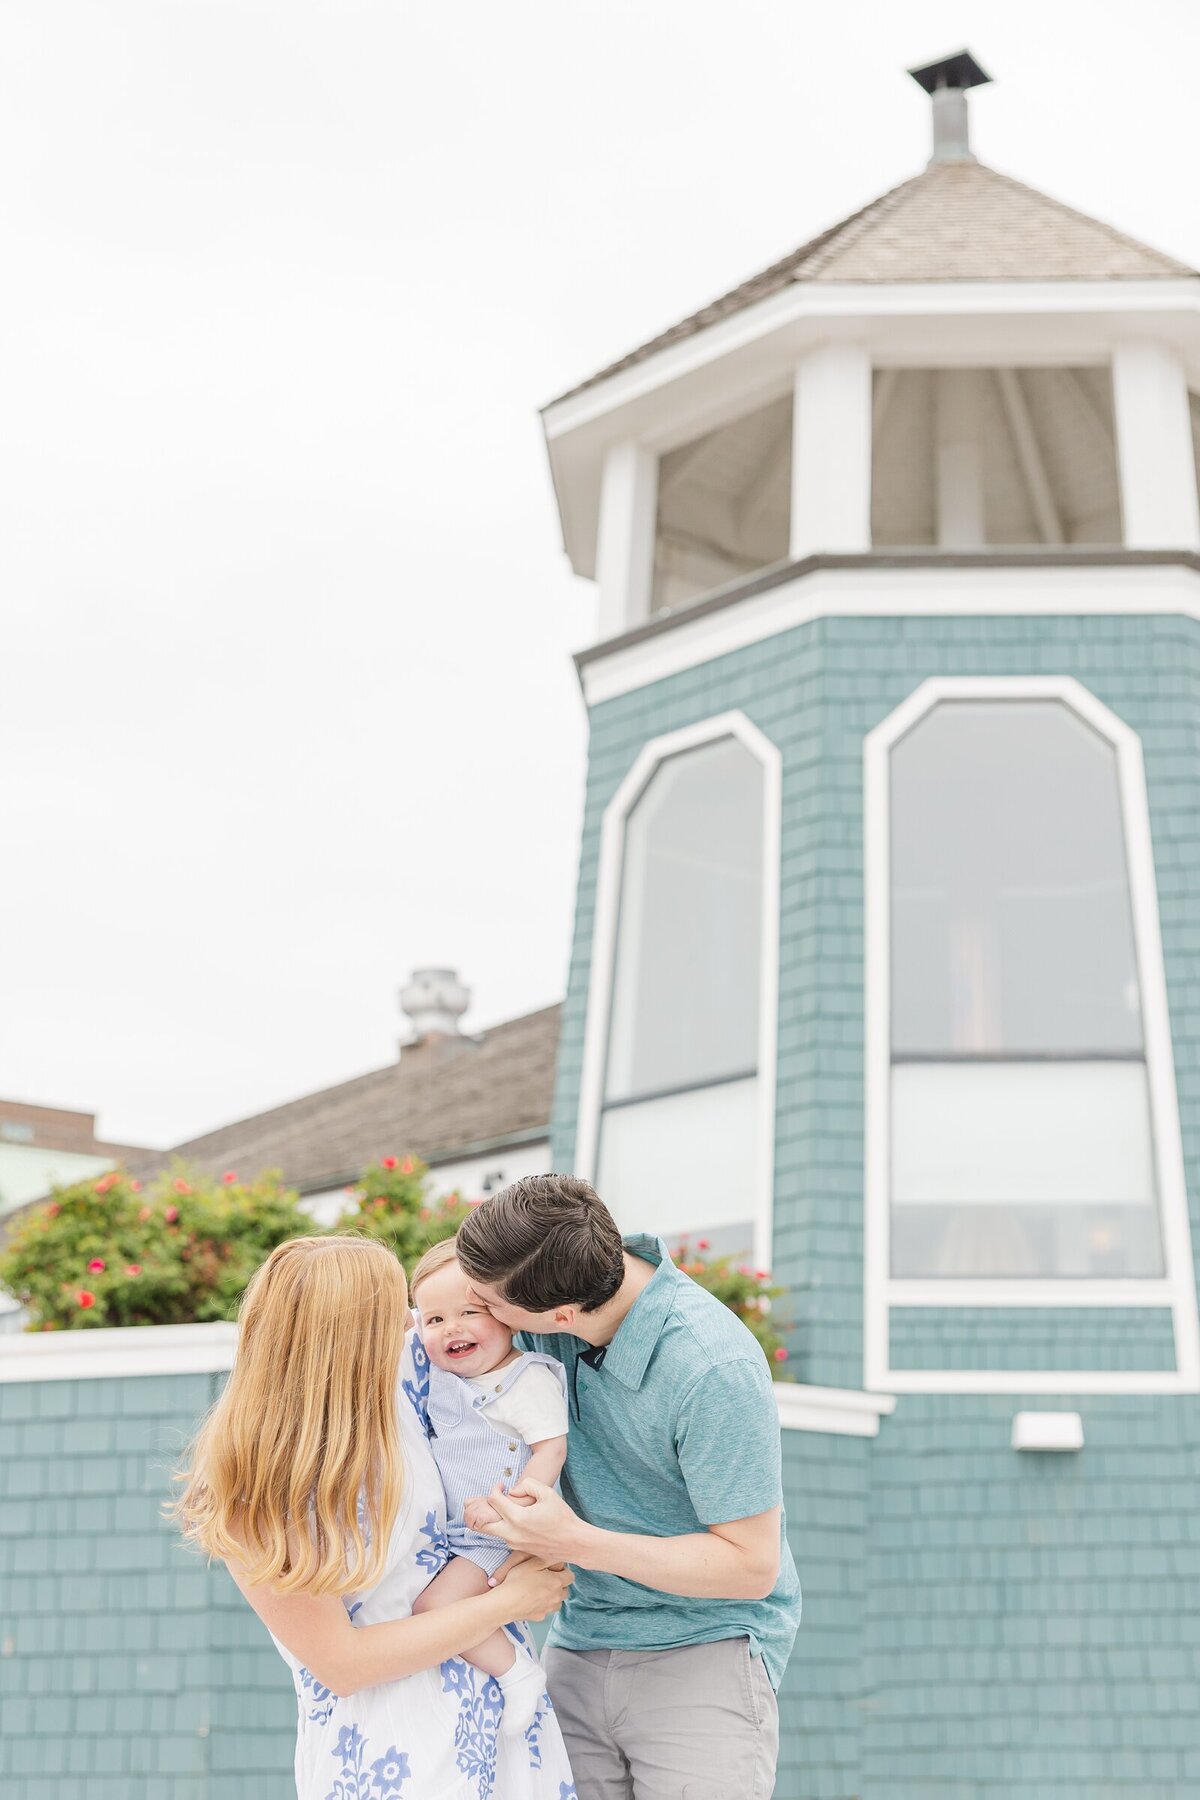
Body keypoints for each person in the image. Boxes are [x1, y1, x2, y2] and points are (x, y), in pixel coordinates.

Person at [172, 1234, 578, 1800]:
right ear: (349, 1338)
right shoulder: (255, 1488)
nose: (414, 1326)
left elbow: (503, 1316)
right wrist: (510, 1601)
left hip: (502, 1723)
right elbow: (343, 1664)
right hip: (390, 1758)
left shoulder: (412, 1390)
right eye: (395, 1315)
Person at [456, 1175, 802, 1800]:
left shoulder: (713, 1367)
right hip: (578, 1644)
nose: (476, 1311)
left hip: (706, 1652)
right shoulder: (545, 1289)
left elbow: (752, 1566)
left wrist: (576, 1540)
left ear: (558, 1317)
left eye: (488, 1304)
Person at [407, 1237, 569, 1735]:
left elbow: (551, 1449)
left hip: (494, 1534)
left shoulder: (526, 1380)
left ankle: (517, 1674)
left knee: (432, 1608)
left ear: (506, 1315)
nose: (451, 1328)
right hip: (457, 1533)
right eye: (434, 1320)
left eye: (470, 1312)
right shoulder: (439, 1377)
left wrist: (511, 1509)